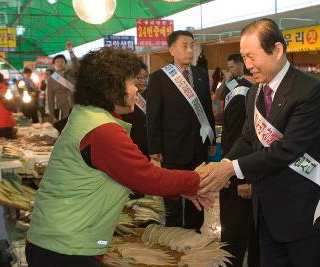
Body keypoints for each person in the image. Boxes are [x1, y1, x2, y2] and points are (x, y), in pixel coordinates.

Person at [25, 47, 212, 267]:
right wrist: (196, 180)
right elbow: (147, 177)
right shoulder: (102, 130)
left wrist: (183, 188)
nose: (137, 90)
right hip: (66, 247)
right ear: (111, 87)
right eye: (132, 83)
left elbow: (133, 174)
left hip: (59, 240)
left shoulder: (87, 115)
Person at [198, 18, 320, 267]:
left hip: (306, 213)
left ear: (276, 49)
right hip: (266, 213)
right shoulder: (255, 92)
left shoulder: (310, 91)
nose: (247, 65)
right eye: (244, 57)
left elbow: (288, 149)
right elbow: (247, 138)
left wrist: (231, 169)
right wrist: (223, 164)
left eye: (252, 57)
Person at [147, 30, 216, 230]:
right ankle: (174, 235)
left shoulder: (201, 75)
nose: (189, 50)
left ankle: (194, 234)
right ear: (172, 50)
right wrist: (155, 146)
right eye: (184, 46)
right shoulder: (159, 78)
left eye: (192, 45)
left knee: (199, 192)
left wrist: (210, 139)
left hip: (198, 146)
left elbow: (207, 110)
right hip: (173, 146)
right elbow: (153, 115)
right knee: (173, 196)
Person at [217, 54, 257, 267]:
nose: (231, 69)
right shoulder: (236, 87)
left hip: (242, 173)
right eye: (229, 66)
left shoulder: (249, 90)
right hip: (234, 166)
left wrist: (244, 177)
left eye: (235, 66)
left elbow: (248, 140)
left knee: (238, 233)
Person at [46, 41, 79, 123]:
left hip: (73, 107)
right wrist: (52, 115)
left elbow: (77, 66)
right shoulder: (51, 79)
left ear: (65, 63)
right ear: (54, 64)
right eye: (57, 62)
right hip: (60, 109)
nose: (60, 63)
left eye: (62, 61)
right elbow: (49, 98)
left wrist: (71, 52)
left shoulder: (71, 73)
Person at [122, 61, 149, 158]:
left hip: (148, 142)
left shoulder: (152, 93)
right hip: (132, 143)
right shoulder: (126, 96)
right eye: (139, 78)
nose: (143, 80)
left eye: (145, 77)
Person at [0, 72, 16, 139]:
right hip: (4, 125)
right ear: (2, 80)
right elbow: (11, 107)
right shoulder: (4, 91)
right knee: (6, 148)